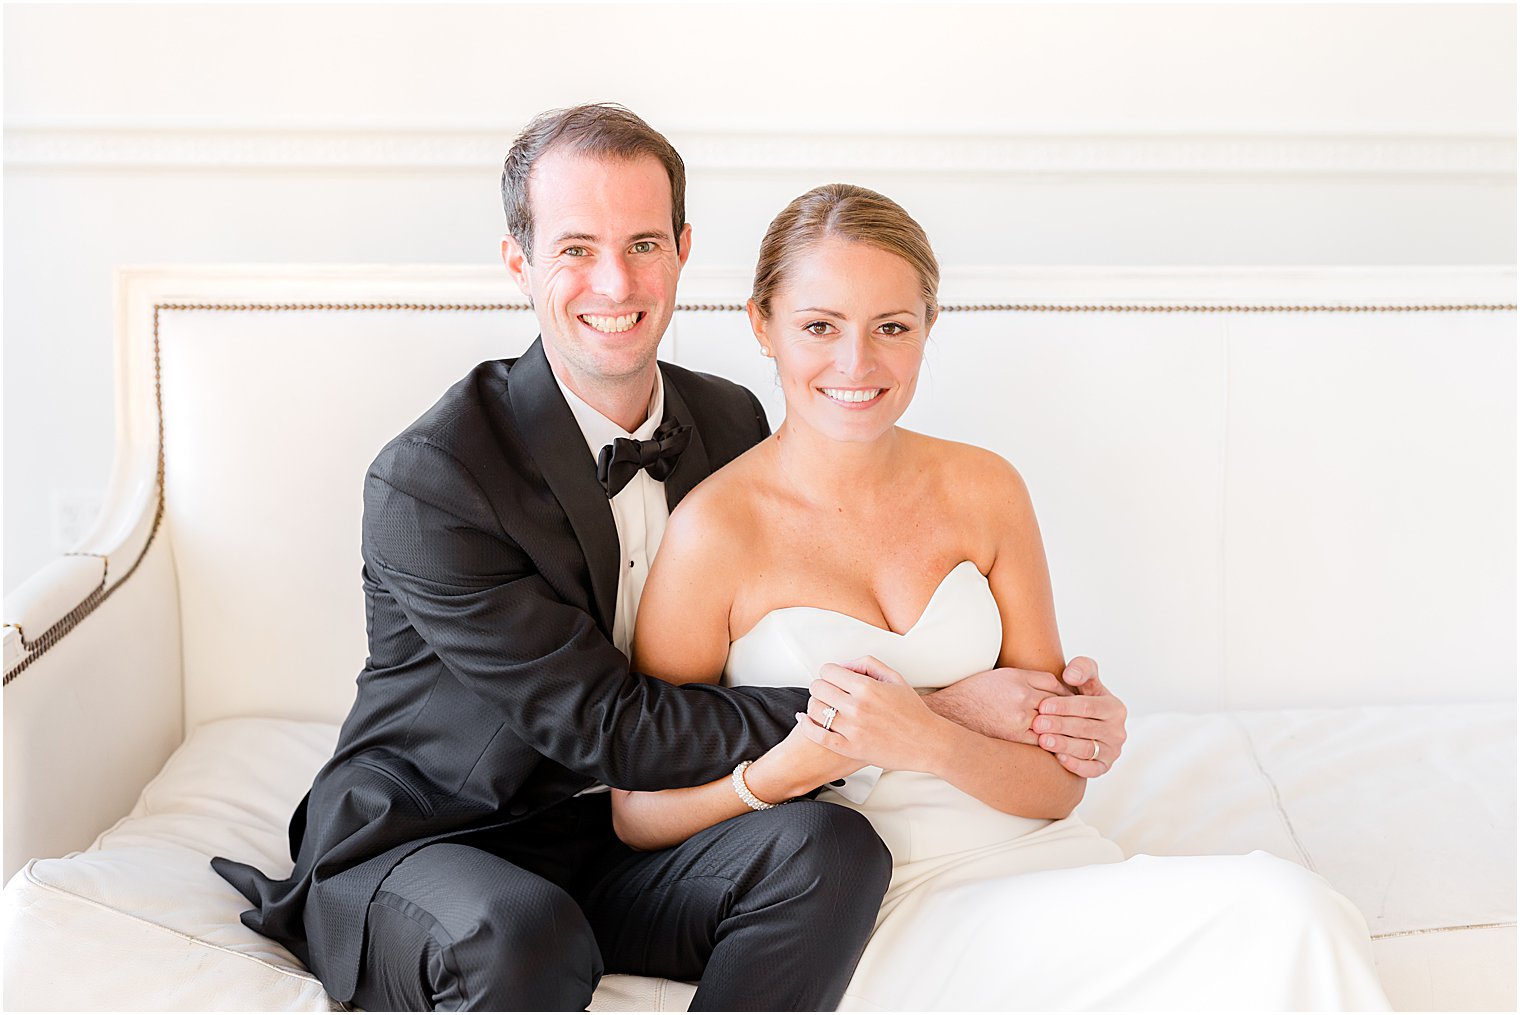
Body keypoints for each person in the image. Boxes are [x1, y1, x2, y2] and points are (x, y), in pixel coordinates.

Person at [210, 104, 1131, 1011]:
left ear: (683, 252)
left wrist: (1051, 711)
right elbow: (604, 723)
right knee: (522, 936)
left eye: (643, 244)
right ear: (518, 261)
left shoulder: (731, 421)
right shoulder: (436, 477)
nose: (615, 282)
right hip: (441, 838)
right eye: (576, 248)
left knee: (833, 850)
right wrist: (933, 707)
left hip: (627, 836)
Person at [615, 183, 1394, 1010]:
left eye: (892, 327)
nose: (857, 364)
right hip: (867, 902)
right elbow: (637, 813)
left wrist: (931, 737)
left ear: (928, 329)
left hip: (1046, 858)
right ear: (761, 325)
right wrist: (788, 769)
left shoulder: (985, 489)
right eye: (819, 326)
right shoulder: (714, 534)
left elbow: (1058, 783)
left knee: (1292, 911)